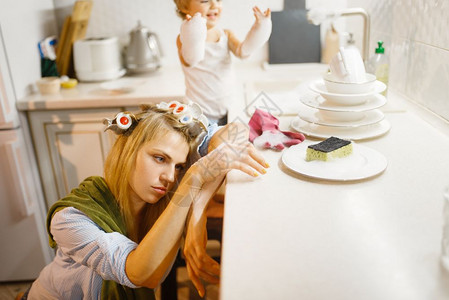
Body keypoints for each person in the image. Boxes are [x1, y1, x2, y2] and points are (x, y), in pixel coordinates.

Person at [26, 101, 268, 299]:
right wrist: (192, 179)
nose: (170, 177)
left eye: (180, 166)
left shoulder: (165, 190)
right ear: (128, 151)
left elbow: (236, 130)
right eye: (159, 158)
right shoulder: (69, 220)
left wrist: (197, 216)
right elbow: (141, 274)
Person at [174, 0, 272, 125]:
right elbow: (191, 60)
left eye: (218, 0)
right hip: (198, 114)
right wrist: (193, 33)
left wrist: (261, 28)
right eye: (205, 1)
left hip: (228, 110)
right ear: (184, 7)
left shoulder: (225, 34)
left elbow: (244, 52)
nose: (214, 5)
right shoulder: (184, 38)